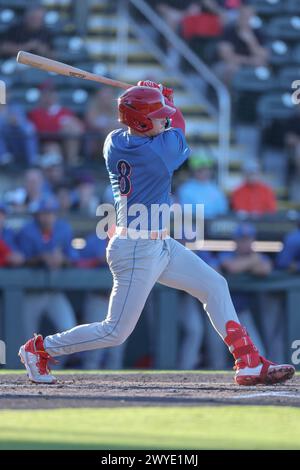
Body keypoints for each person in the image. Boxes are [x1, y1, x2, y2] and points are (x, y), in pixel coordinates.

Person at [18, 82, 295, 385]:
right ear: (140, 121)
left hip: (157, 242)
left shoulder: (114, 141)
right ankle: (40, 349)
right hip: (137, 248)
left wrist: (152, 99)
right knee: (115, 331)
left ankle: (248, 360)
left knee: (214, 285)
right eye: (157, 115)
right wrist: (167, 98)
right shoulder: (158, 154)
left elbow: (160, 124)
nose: (164, 119)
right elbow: (179, 125)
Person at [16, 197, 78, 345]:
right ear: (36, 215)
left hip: (54, 292)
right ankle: (31, 368)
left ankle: (50, 366)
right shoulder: (26, 231)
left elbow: (74, 258)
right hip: (31, 292)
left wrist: (61, 259)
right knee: (27, 340)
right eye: (43, 213)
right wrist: (42, 258)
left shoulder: (64, 228)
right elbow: (20, 260)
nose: (47, 216)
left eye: (50, 213)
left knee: (69, 330)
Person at [76, 233, 126, 370]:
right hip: (98, 298)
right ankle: (87, 387)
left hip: (119, 300)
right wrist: (97, 261)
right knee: (93, 351)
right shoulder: (94, 241)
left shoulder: (129, 240)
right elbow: (78, 264)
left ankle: (118, 390)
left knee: (116, 352)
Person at [28, 81, 84, 166]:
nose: (48, 97)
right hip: (45, 144)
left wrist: (64, 128)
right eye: (45, 94)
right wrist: (60, 128)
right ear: (40, 96)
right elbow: (40, 129)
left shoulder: (65, 111)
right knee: (53, 147)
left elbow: (80, 129)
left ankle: (72, 162)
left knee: (72, 128)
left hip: (65, 142)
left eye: (51, 93)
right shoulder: (35, 113)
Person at [176, 153, 228, 219]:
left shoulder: (216, 189)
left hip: (214, 224)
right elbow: (186, 213)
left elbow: (222, 211)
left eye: (208, 169)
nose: (205, 172)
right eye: (201, 170)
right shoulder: (185, 189)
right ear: (193, 171)